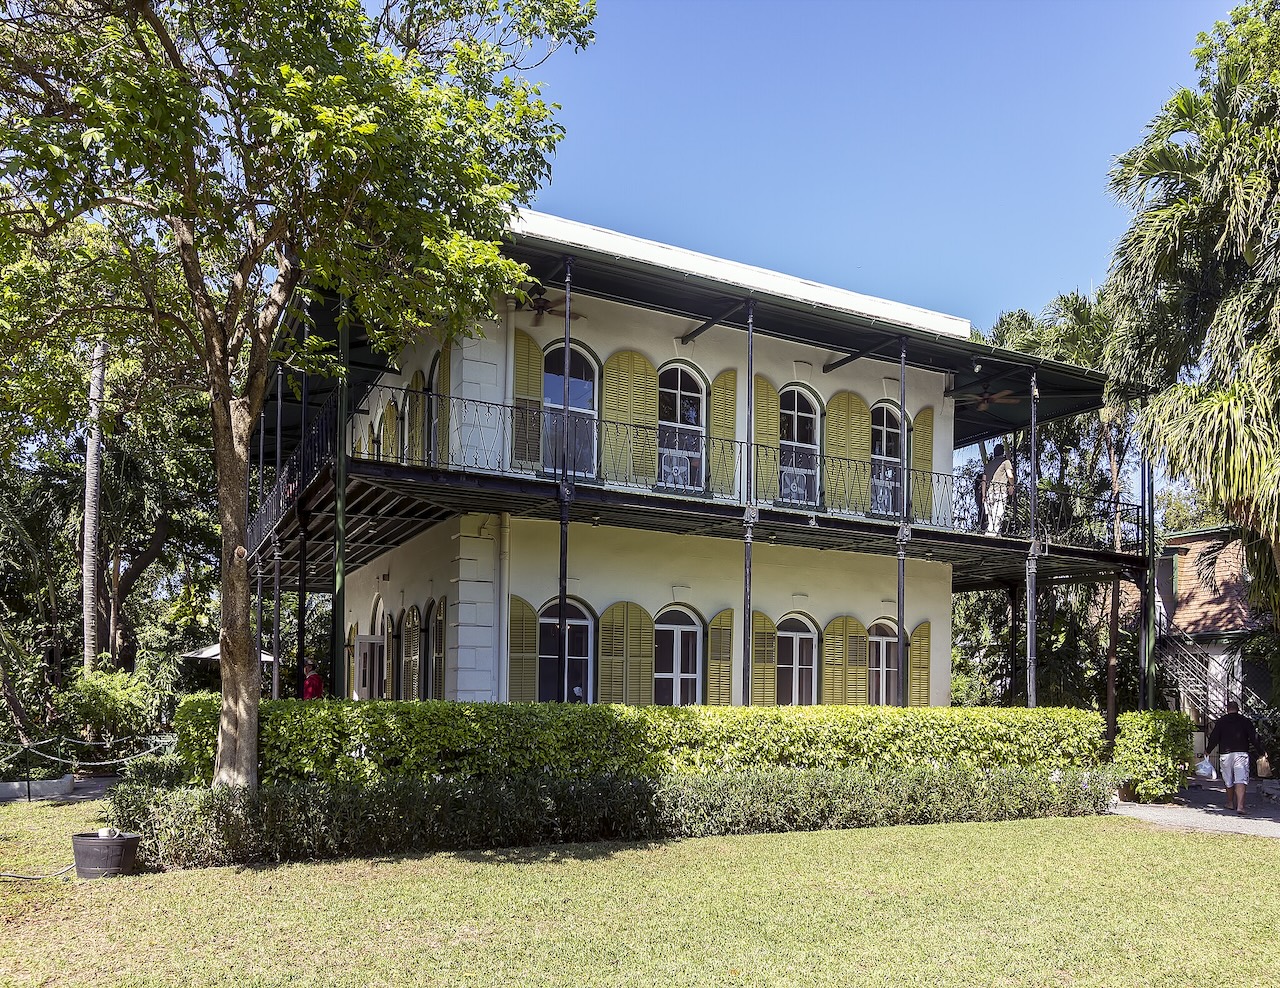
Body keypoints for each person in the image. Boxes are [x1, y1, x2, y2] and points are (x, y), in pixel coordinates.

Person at [1205, 700, 1259, 814]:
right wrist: (1262, 751)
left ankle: (1230, 802)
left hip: (1225, 754)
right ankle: (1240, 806)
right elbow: (1254, 738)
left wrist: (1208, 750)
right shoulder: (1245, 721)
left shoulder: (1221, 721)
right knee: (1241, 779)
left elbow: (1214, 737)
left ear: (1227, 709)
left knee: (1228, 780)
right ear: (1238, 709)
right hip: (1241, 753)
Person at [983, 443, 1014, 535]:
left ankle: (989, 532)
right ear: (1003, 452)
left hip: (989, 492)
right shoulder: (1005, 462)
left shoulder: (988, 464)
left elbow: (983, 480)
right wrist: (1012, 485)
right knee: (998, 514)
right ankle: (994, 533)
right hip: (1000, 491)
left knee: (990, 515)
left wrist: (983, 495)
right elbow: (1010, 475)